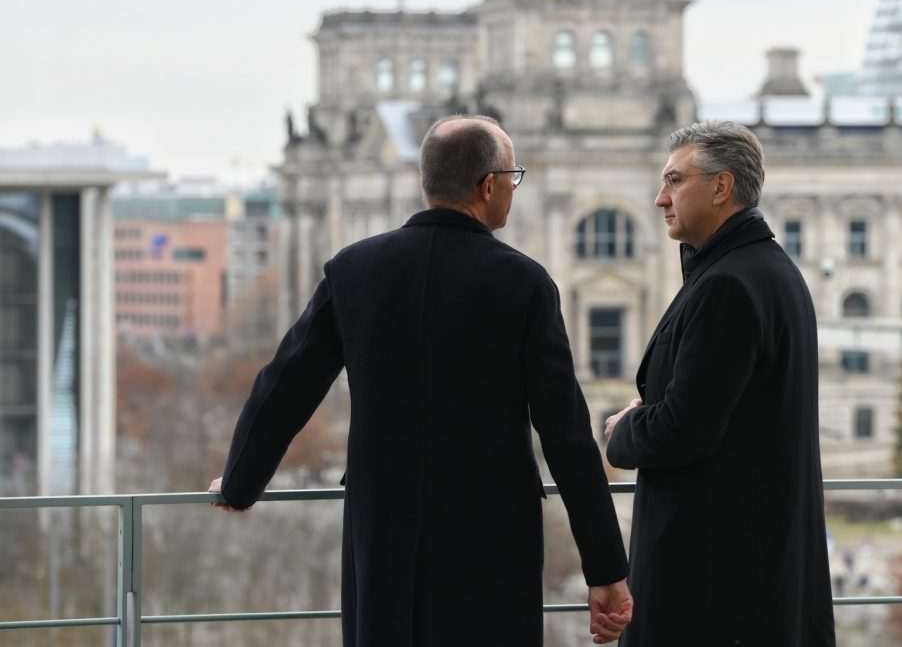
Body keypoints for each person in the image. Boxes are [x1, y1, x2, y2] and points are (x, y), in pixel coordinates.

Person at [210, 115, 633, 646]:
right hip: (491, 539)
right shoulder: (524, 283)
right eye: (512, 179)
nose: (512, 191)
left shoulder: (353, 270)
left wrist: (241, 481)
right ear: (488, 186)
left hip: (382, 532)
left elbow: (287, 383)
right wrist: (606, 568)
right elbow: (567, 434)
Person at [604, 121, 835, 645]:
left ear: (721, 187)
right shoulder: (767, 270)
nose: (660, 198)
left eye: (674, 180)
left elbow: (685, 429)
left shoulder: (728, 285)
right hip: (752, 574)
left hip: (713, 583)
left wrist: (621, 430)